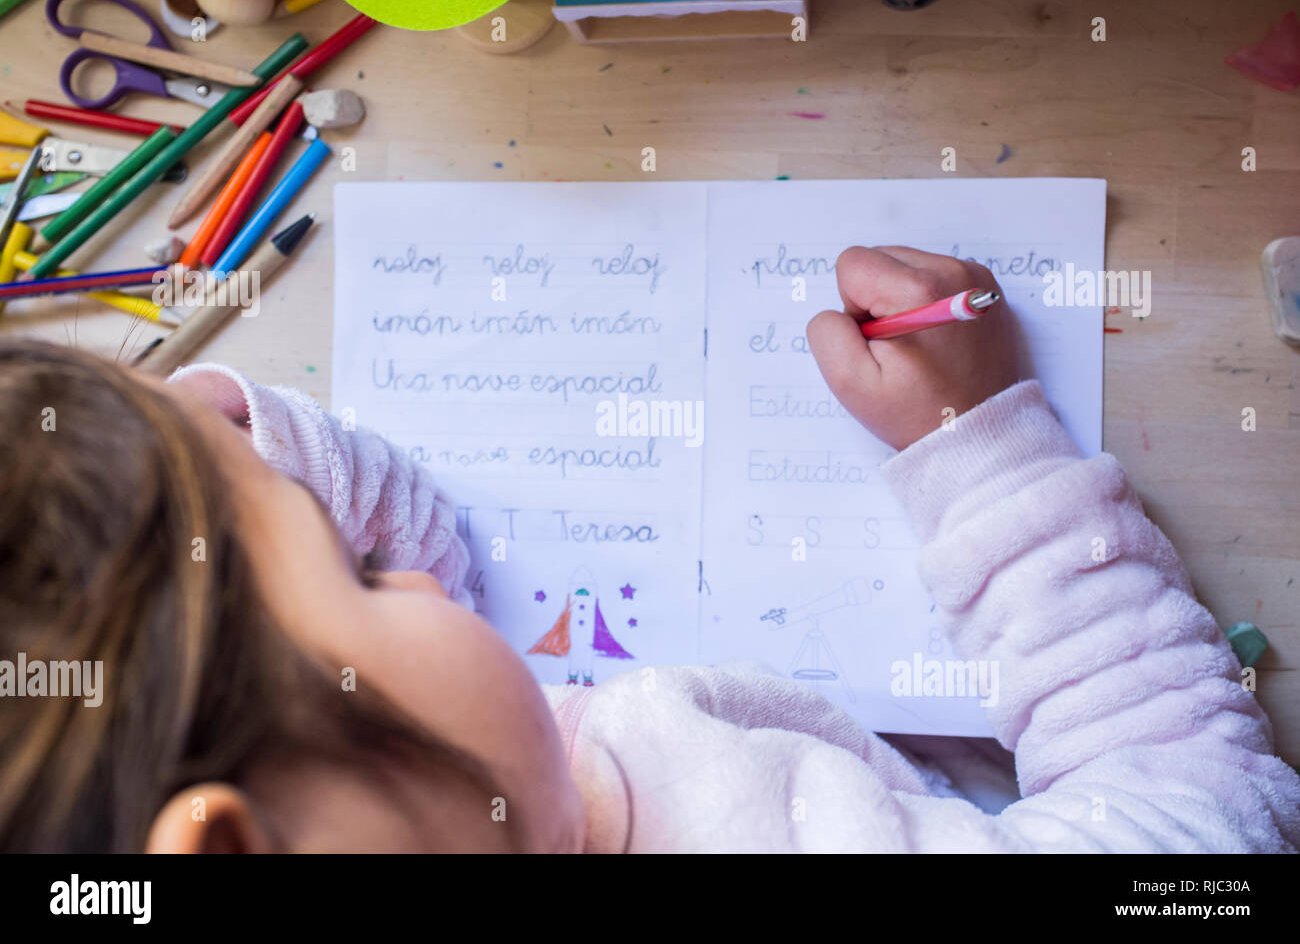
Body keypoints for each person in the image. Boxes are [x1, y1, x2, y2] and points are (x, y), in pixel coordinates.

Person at [1, 246, 1295, 852]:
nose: (402, 567)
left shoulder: (458, 803)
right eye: (352, 569)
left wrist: (225, 446)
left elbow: (428, 562)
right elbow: (1209, 811)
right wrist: (986, 451)